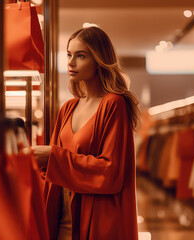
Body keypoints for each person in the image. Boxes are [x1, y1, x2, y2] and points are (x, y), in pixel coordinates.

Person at [32, 26, 140, 240]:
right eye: (69, 55)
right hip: (61, 215)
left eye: (80, 56)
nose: (71, 63)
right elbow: (50, 170)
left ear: (99, 60)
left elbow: (111, 172)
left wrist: (53, 156)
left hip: (96, 217)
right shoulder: (68, 108)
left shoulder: (113, 104)